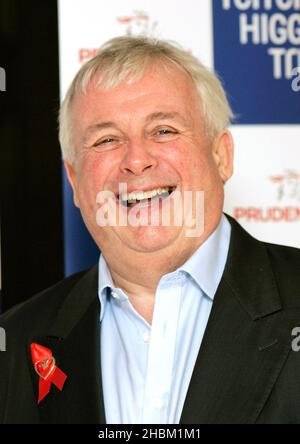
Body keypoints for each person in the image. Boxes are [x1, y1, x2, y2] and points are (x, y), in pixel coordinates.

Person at [1, 36, 300, 425]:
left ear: (221, 156)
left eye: (163, 130)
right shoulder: (16, 342)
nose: (136, 160)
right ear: (74, 180)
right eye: (106, 139)